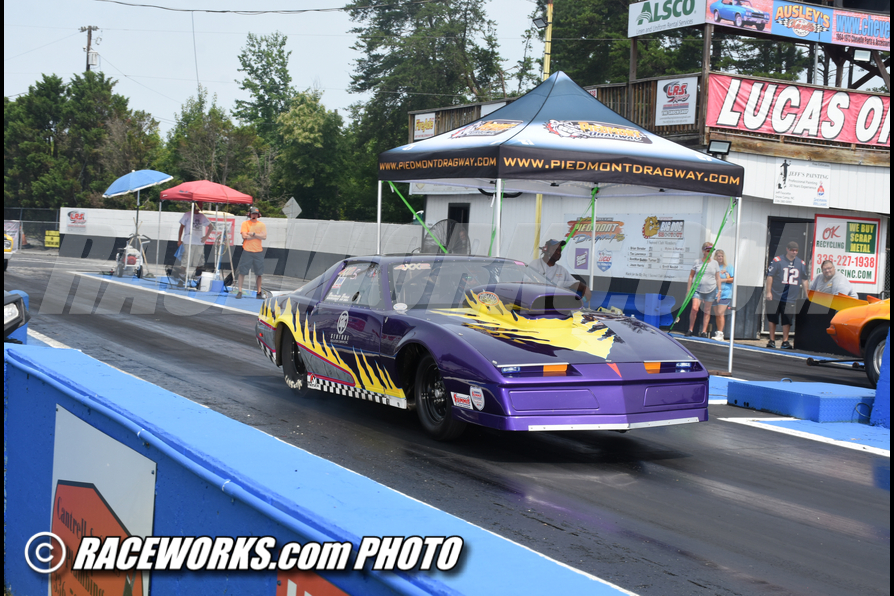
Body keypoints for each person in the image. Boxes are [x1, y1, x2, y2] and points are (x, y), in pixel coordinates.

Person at [765, 241, 809, 349]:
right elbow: (770, 276)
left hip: (790, 297)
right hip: (776, 294)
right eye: (792, 250)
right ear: (787, 249)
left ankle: (785, 341)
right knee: (772, 318)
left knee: (787, 320)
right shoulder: (778, 260)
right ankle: (772, 340)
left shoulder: (801, 263)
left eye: (796, 250)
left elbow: (804, 279)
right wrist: (768, 292)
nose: (794, 252)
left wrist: (807, 294)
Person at [528, 239, 591, 304]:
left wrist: (585, 288)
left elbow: (574, 283)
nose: (558, 252)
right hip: (537, 303)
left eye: (559, 250)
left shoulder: (561, 270)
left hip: (556, 305)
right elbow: (529, 287)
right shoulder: (535, 264)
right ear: (546, 249)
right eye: (555, 249)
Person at [686, 242, 722, 338]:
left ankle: (704, 331)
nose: (710, 252)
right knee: (694, 309)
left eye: (711, 250)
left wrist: (719, 290)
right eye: (708, 250)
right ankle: (690, 329)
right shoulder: (697, 262)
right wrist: (688, 290)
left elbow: (718, 277)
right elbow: (691, 276)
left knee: (707, 310)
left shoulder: (715, 263)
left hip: (711, 289)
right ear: (703, 251)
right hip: (697, 289)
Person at [176, 202, 211, 284]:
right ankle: (181, 278)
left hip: (199, 242)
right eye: (200, 206)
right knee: (185, 260)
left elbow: (211, 226)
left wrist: (206, 236)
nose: (200, 208)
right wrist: (179, 239)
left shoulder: (202, 216)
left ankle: (198, 278)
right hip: (188, 241)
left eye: (202, 207)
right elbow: (181, 227)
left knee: (199, 261)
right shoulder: (187, 215)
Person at [236, 206, 267, 299]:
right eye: (253, 213)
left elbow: (264, 237)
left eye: (256, 214)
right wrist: (258, 236)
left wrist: (252, 234)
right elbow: (244, 236)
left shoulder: (261, 225)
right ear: (250, 214)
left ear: (258, 215)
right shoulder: (245, 223)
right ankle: (240, 291)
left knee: (259, 273)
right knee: (242, 271)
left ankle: (259, 292)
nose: (254, 215)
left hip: (258, 251)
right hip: (247, 250)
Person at [712, 249, 735, 340]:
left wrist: (721, 280)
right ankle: (719, 332)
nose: (720, 258)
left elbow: (732, 279)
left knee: (720, 312)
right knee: (717, 314)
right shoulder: (713, 267)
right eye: (718, 256)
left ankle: (721, 333)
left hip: (725, 293)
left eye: (722, 256)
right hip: (714, 293)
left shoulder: (728, 267)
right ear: (715, 257)